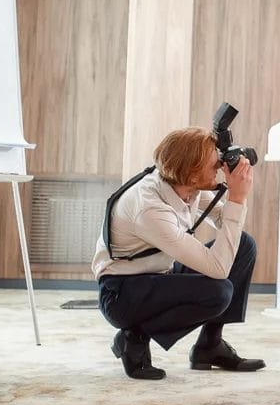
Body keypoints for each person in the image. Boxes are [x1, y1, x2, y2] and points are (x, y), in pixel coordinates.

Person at [91, 126, 264, 380]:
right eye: (213, 162)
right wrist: (237, 199)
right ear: (193, 176)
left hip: (158, 277)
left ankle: (210, 346)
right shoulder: (150, 209)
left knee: (243, 246)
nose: (219, 164)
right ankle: (134, 337)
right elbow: (219, 268)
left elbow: (223, 221)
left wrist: (233, 194)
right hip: (122, 294)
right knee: (218, 292)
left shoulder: (182, 184)